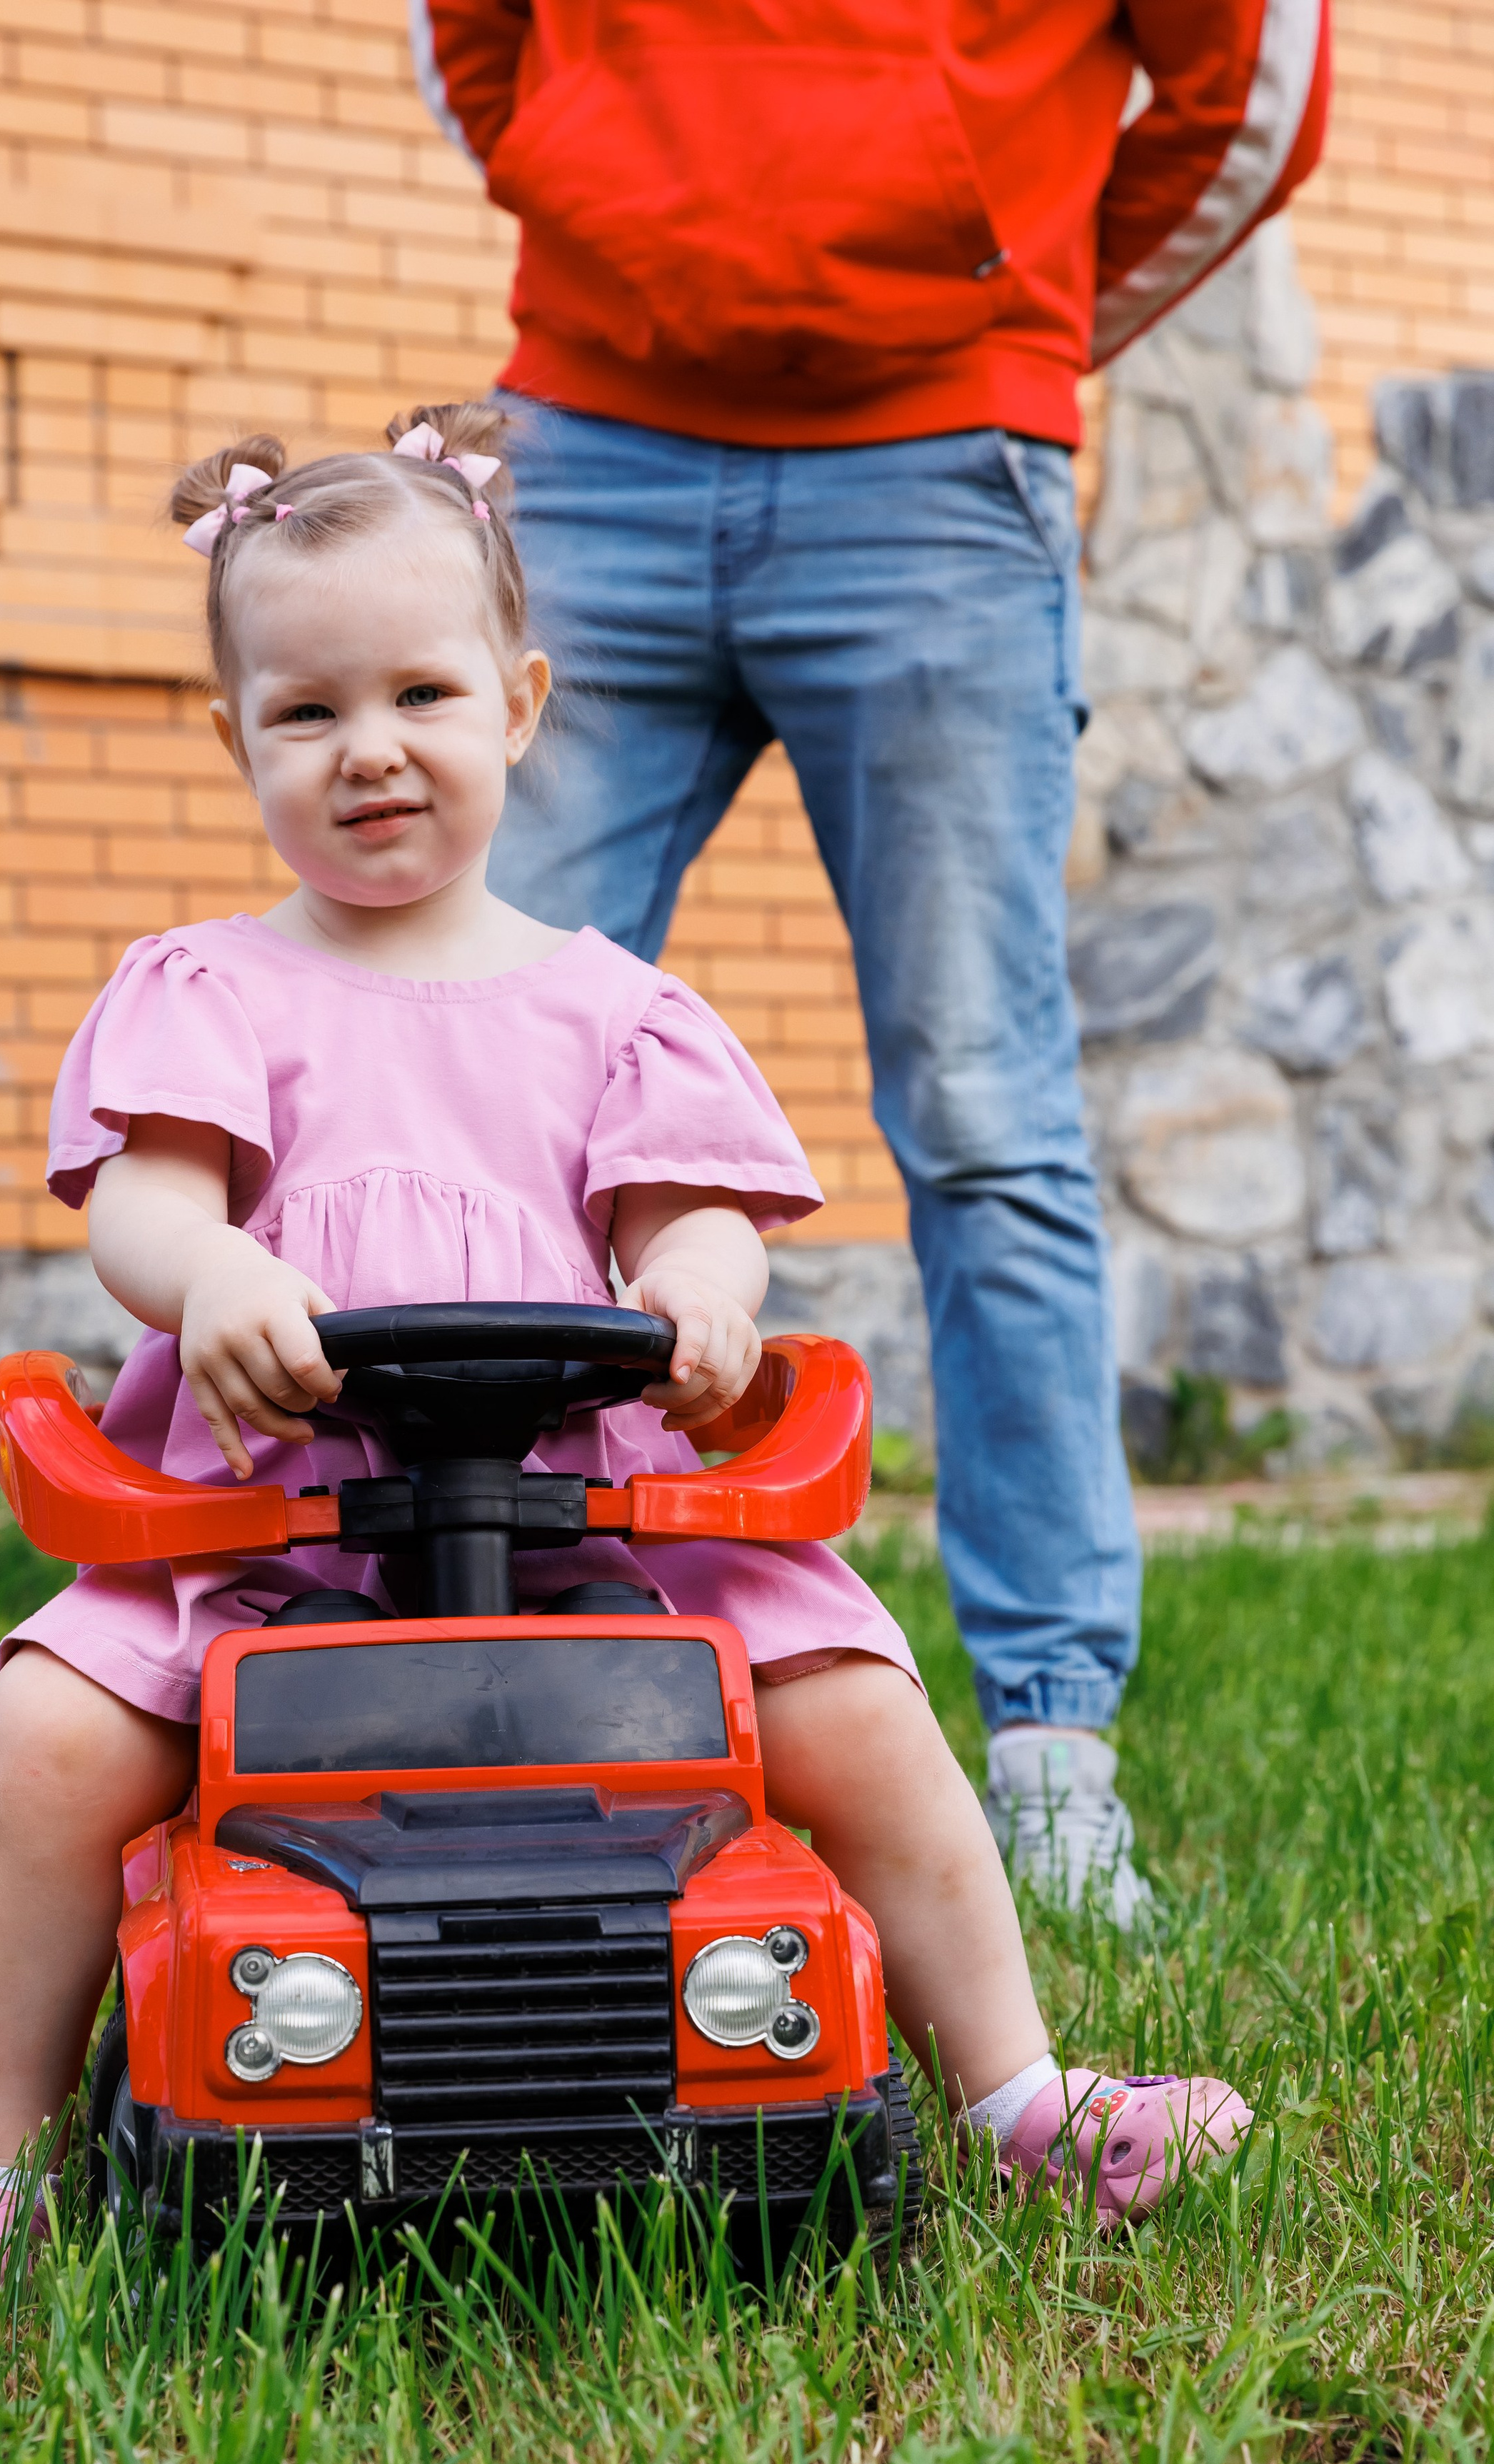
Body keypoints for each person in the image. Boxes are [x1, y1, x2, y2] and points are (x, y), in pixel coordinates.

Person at [0, 411, 1250, 2303]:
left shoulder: (620, 1016)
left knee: (853, 1689)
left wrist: (702, 1290)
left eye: (422, 691)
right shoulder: (210, 991)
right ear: (233, 742)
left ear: (520, 705)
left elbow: (685, 1221)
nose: (371, 749)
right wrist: (203, 1274)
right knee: (45, 1729)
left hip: (603, 1534)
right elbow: (138, 1204)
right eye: (307, 712)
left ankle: (1020, 2094)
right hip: (269, 1545)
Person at [410, 0, 1331, 1919]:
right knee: (454, 1076)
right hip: (595, 443)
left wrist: (1023, 303)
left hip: (938, 472)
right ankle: (424, 1673)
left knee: (988, 1120)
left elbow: (1261, 92)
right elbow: (470, 42)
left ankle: (1055, 1750)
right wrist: (623, 233)